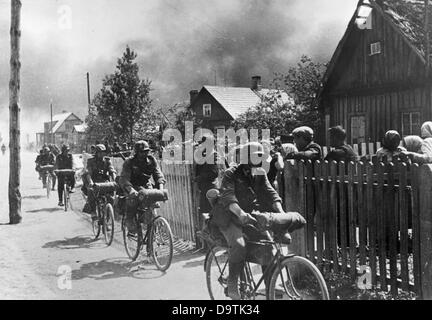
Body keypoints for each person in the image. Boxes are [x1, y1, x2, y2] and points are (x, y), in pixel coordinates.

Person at [211, 142, 305, 300]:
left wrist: (281, 214)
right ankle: (233, 285)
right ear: (247, 158)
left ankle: (270, 289)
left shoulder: (260, 172)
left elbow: (271, 193)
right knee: (239, 245)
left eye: (262, 156)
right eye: (257, 156)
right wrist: (240, 213)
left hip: (250, 216)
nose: (261, 159)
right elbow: (228, 196)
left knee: (268, 248)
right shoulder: (231, 173)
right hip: (230, 216)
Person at [119, 140, 166, 234]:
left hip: (146, 185)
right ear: (137, 152)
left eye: (146, 151)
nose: (144, 154)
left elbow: (158, 174)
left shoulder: (151, 160)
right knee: (132, 201)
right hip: (132, 186)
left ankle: (151, 233)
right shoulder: (129, 162)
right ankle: (130, 222)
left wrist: (161, 188)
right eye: (142, 152)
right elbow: (124, 178)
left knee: (152, 202)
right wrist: (131, 190)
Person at [82, 144, 117, 220]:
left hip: (105, 182)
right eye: (100, 152)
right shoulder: (90, 161)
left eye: (103, 152)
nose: (102, 154)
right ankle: (93, 211)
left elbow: (112, 170)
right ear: (96, 153)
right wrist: (90, 182)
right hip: (94, 182)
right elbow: (88, 173)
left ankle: (107, 218)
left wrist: (115, 179)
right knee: (91, 191)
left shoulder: (107, 161)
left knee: (111, 198)